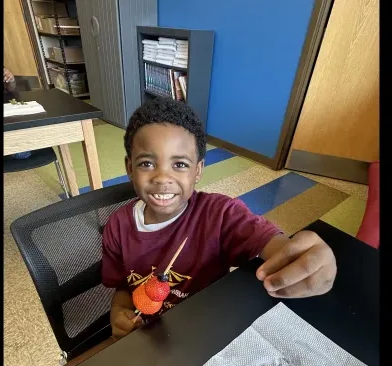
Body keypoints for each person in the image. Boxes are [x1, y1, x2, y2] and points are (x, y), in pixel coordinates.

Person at [102, 98, 336, 340]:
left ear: (198, 171)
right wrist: (118, 310)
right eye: (147, 163)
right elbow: (122, 286)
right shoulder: (116, 227)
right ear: (130, 168)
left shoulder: (221, 215)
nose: (163, 177)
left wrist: (303, 258)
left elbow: (273, 246)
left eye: (180, 164)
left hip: (203, 333)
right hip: (144, 337)